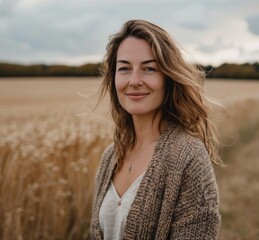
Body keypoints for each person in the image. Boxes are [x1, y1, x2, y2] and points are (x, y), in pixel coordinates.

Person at [90, 19, 221, 239]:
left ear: (168, 77)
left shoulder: (188, 157)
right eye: (124, 69)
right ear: (114, 78)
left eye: (149, 68)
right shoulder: (110, 157)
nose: (134, 80)